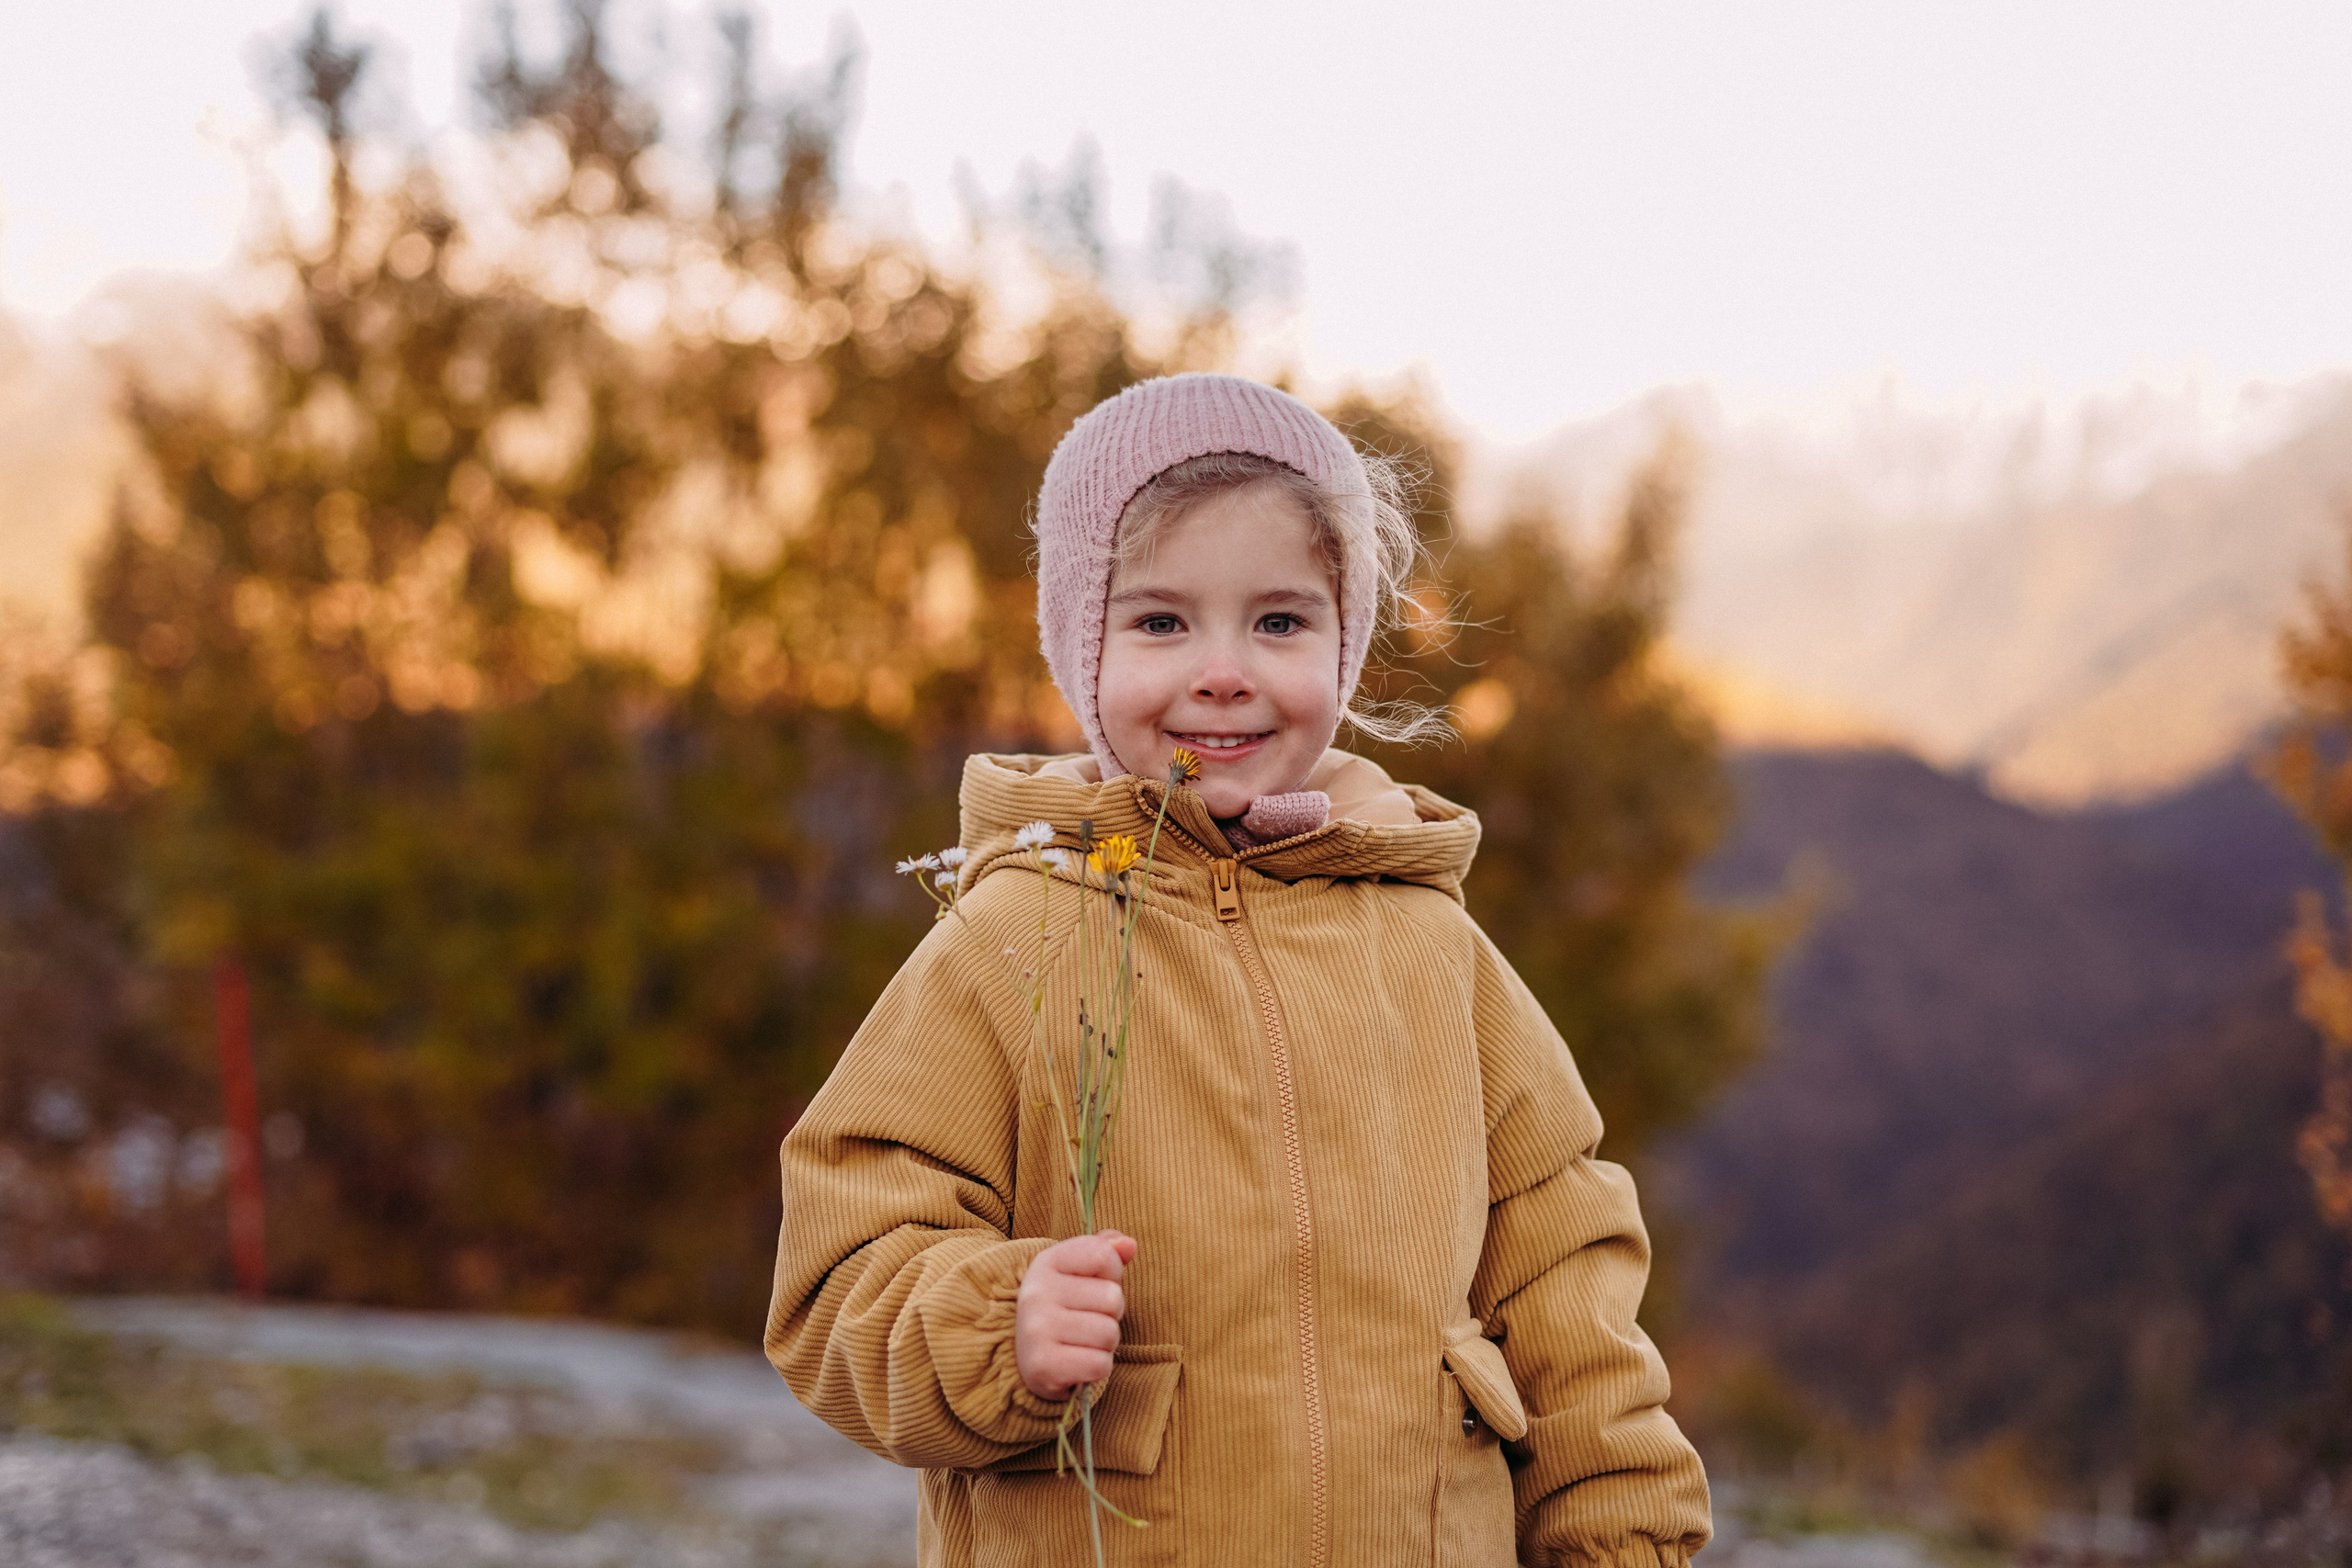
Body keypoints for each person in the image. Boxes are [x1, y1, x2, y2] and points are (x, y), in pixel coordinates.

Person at [766, 373, 1712, 1566]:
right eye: (1161, 622)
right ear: (1079, 646)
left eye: (1280, 621)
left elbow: (1564, 1263)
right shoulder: (1013, 938)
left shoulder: (1430, 946)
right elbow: (841, 1271)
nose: (1225, 671)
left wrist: (1619, 1536)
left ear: (1347, 642)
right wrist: (999, 1323)